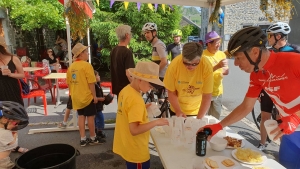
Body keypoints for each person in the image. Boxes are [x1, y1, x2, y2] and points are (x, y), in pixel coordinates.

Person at [199, 26, 300, 169]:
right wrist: (219, 125)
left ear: (255, 52)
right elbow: (246, 107)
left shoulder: (293, 61)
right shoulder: (256, 74)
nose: (236, 63)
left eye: (239, 58)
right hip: (289, 132)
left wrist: (296, 117)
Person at [113, 61, 168, 169]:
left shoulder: (126, 90)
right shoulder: (136, 100)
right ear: (139, 80)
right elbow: (134, 130)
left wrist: (143, 107)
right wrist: (156, 122)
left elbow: (126, 111)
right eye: (150, 85)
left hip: (127, 145)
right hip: (136, 150)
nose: (151, 88)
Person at [257, 22, 300, 150]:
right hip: (268, 89)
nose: (268, 38)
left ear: (278, 36)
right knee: (265, 116)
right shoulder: (268, 52)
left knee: (282, 119)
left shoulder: (295, 52)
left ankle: (283, 147)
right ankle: (262, 143)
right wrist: (259, 91)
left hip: (285, 92)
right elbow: (260, 72)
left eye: (270, 35)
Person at [163, 42, 213, 118]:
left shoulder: (206, 66)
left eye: (194, 64)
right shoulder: (174, 65)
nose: (189, 67)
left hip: (198, 109)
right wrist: (178, 111)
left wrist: (199, 119)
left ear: (200, 58)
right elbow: (171, 92)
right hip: (177, 108)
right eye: (186, 63)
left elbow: (207, 95)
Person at [67, 43, 101, 146]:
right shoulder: (87, 66)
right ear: (81, 54)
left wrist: (72, 95)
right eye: (86, 51)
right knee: (90, 117)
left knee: (81, 117)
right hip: (86, 96)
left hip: (76, 97)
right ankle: (93, 137)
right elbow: (91, 83)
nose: (88, 53)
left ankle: (82, 139)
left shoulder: (71, 66)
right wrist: (94, 96)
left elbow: (69, 83)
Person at [0, 37, 28, 154]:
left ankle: (15, 145)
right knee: (2, 119)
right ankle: (4, 145)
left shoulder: (13, 58)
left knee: (15, 118)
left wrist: (10, 74)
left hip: (12, 91)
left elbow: (22, 75)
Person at [202, 31, 229, 119]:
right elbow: (202, 74)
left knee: (215, 119)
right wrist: (218, 66)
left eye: (219, 42)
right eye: (216, 43)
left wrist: (225, 71)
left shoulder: (222, 54)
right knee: (203, 119)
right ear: (209, 44)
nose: (219, 45)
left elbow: (225, 69)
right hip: (205, 92)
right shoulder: (202, 56)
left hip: (218, 92)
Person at [142, 22, 168, 101]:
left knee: (141, 88)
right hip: (159, 76)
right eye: (145, 33)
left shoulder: (159, 45)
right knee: (160, 101)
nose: (146, 35)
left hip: (161, 77)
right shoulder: (155, 45)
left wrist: (154, 73)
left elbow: (164, 61)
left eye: (148, 32)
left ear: (154, 33)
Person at [0, 101, 29, 169]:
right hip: (2, 162)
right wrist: (15, 134)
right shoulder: (5, 133)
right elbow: (13, 144)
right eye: (15, 124)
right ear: (5, 120)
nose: (16, 126)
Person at [110, 25, 135, 99]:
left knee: (121, 109)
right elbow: (128, 73)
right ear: (127, 35)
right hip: (126, 88)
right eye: (130, 34)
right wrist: (135, 86)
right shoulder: (127, 52)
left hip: (117, 88)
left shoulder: (114, 50)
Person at [94, 70, 107, 139]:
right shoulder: (93, 86)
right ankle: (99, 131)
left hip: (99, 105)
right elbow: (93, 97)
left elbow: (99, 93)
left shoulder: (97, 84)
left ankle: (97, 129)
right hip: (96, 105)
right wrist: (100, 99)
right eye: (97, 75)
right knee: (100, 118)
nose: (99, 76)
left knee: (97, 118)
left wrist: (104, 96)